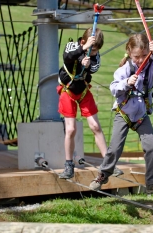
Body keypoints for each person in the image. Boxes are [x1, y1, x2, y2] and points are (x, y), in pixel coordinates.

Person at [89, 33, 153, 194]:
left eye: (144, 56)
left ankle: (152, 182)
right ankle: (103, 174)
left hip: (141, 114)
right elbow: (113, 88)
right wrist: (126, 83)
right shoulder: (124, 69)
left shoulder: (152, 65)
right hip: (124, 112)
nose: (140, 60)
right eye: (137, 56)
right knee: (115, 148)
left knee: (152, 146)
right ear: (129, 52)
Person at [57, 28, 123, 179]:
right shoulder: (73, 46)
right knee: (71, 129)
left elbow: (94, 67)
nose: (94, 53)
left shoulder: (95, 55)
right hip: (68, 91)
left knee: (95, 126)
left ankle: (108, 164)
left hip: (83, 91)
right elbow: (67, 57)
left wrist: (87, 64)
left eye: (96, 51)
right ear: (83, 41)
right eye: (92, 50)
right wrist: (83, 50)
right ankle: (68, 165)